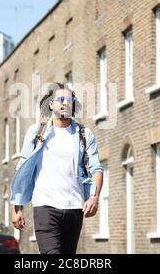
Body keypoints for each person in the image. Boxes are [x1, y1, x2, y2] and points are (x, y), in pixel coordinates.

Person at [10, 82, 104, 254]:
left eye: (69, 99)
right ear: (51, 104)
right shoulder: (37, 131)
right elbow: (22, 168)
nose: (65, 103)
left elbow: (96, 168)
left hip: (75, 208)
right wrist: (16, 208)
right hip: (45, 206)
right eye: (60, 99)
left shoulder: (83, 134)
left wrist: (93, 198)